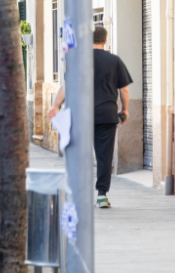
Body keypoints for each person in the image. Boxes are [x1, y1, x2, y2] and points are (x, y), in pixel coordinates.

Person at [48, 26, 132, 209]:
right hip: (107, 115)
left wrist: (55, 106)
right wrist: (124, 109)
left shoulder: (78, 60)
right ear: (105, 41)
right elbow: (124, 89)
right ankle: (102, 195)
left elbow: (66, 86)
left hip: (81, 115)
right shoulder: (114, 60)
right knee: (104, 156)